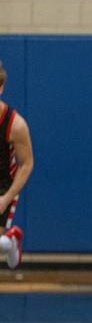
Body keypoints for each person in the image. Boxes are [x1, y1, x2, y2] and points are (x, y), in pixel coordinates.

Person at [0, 61, 31, 269]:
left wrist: (6, 198)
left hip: (3, 185)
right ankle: (6, 242)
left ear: (1, 88)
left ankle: (9, 241)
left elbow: (27, 163)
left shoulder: (15, 125)